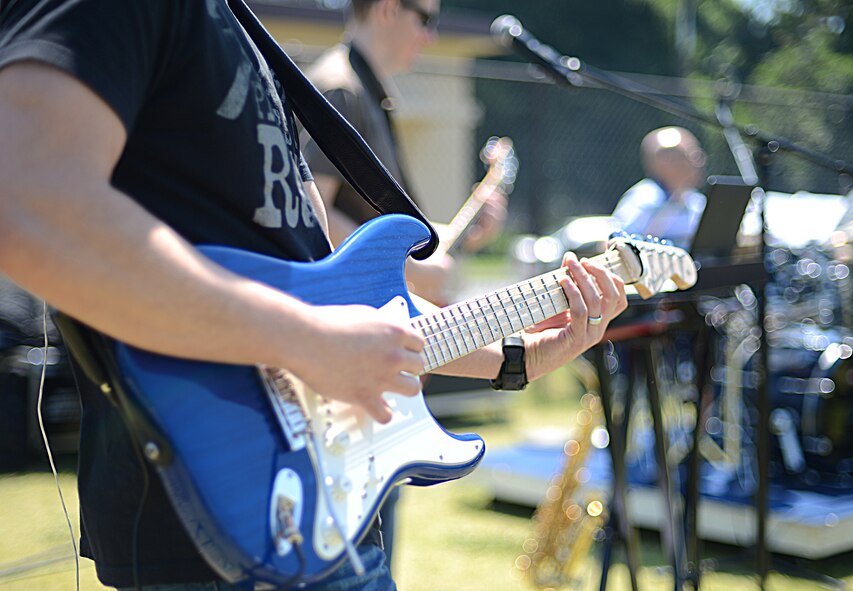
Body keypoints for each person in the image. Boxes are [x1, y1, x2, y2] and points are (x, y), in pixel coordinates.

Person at [0, 1, 626, 591]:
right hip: (212, 531)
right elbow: (30, 204)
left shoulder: (238, 30)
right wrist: (303, 338)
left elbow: (340, 301)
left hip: (322, 521)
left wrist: (514, 354)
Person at [302, 0, 507, 304]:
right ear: (388, 9)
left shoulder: (361, 89)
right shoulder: (341, 90)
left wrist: (463, 236)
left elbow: (368, 220)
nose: (430, 36)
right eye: (425, 20)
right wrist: (408, 269)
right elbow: (315, 213)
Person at [611, 126, 707, 250]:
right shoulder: (644, 198)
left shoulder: (695, 201)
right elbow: (618, 242)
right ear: (666, 161)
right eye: (693, 155)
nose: (700, 162)